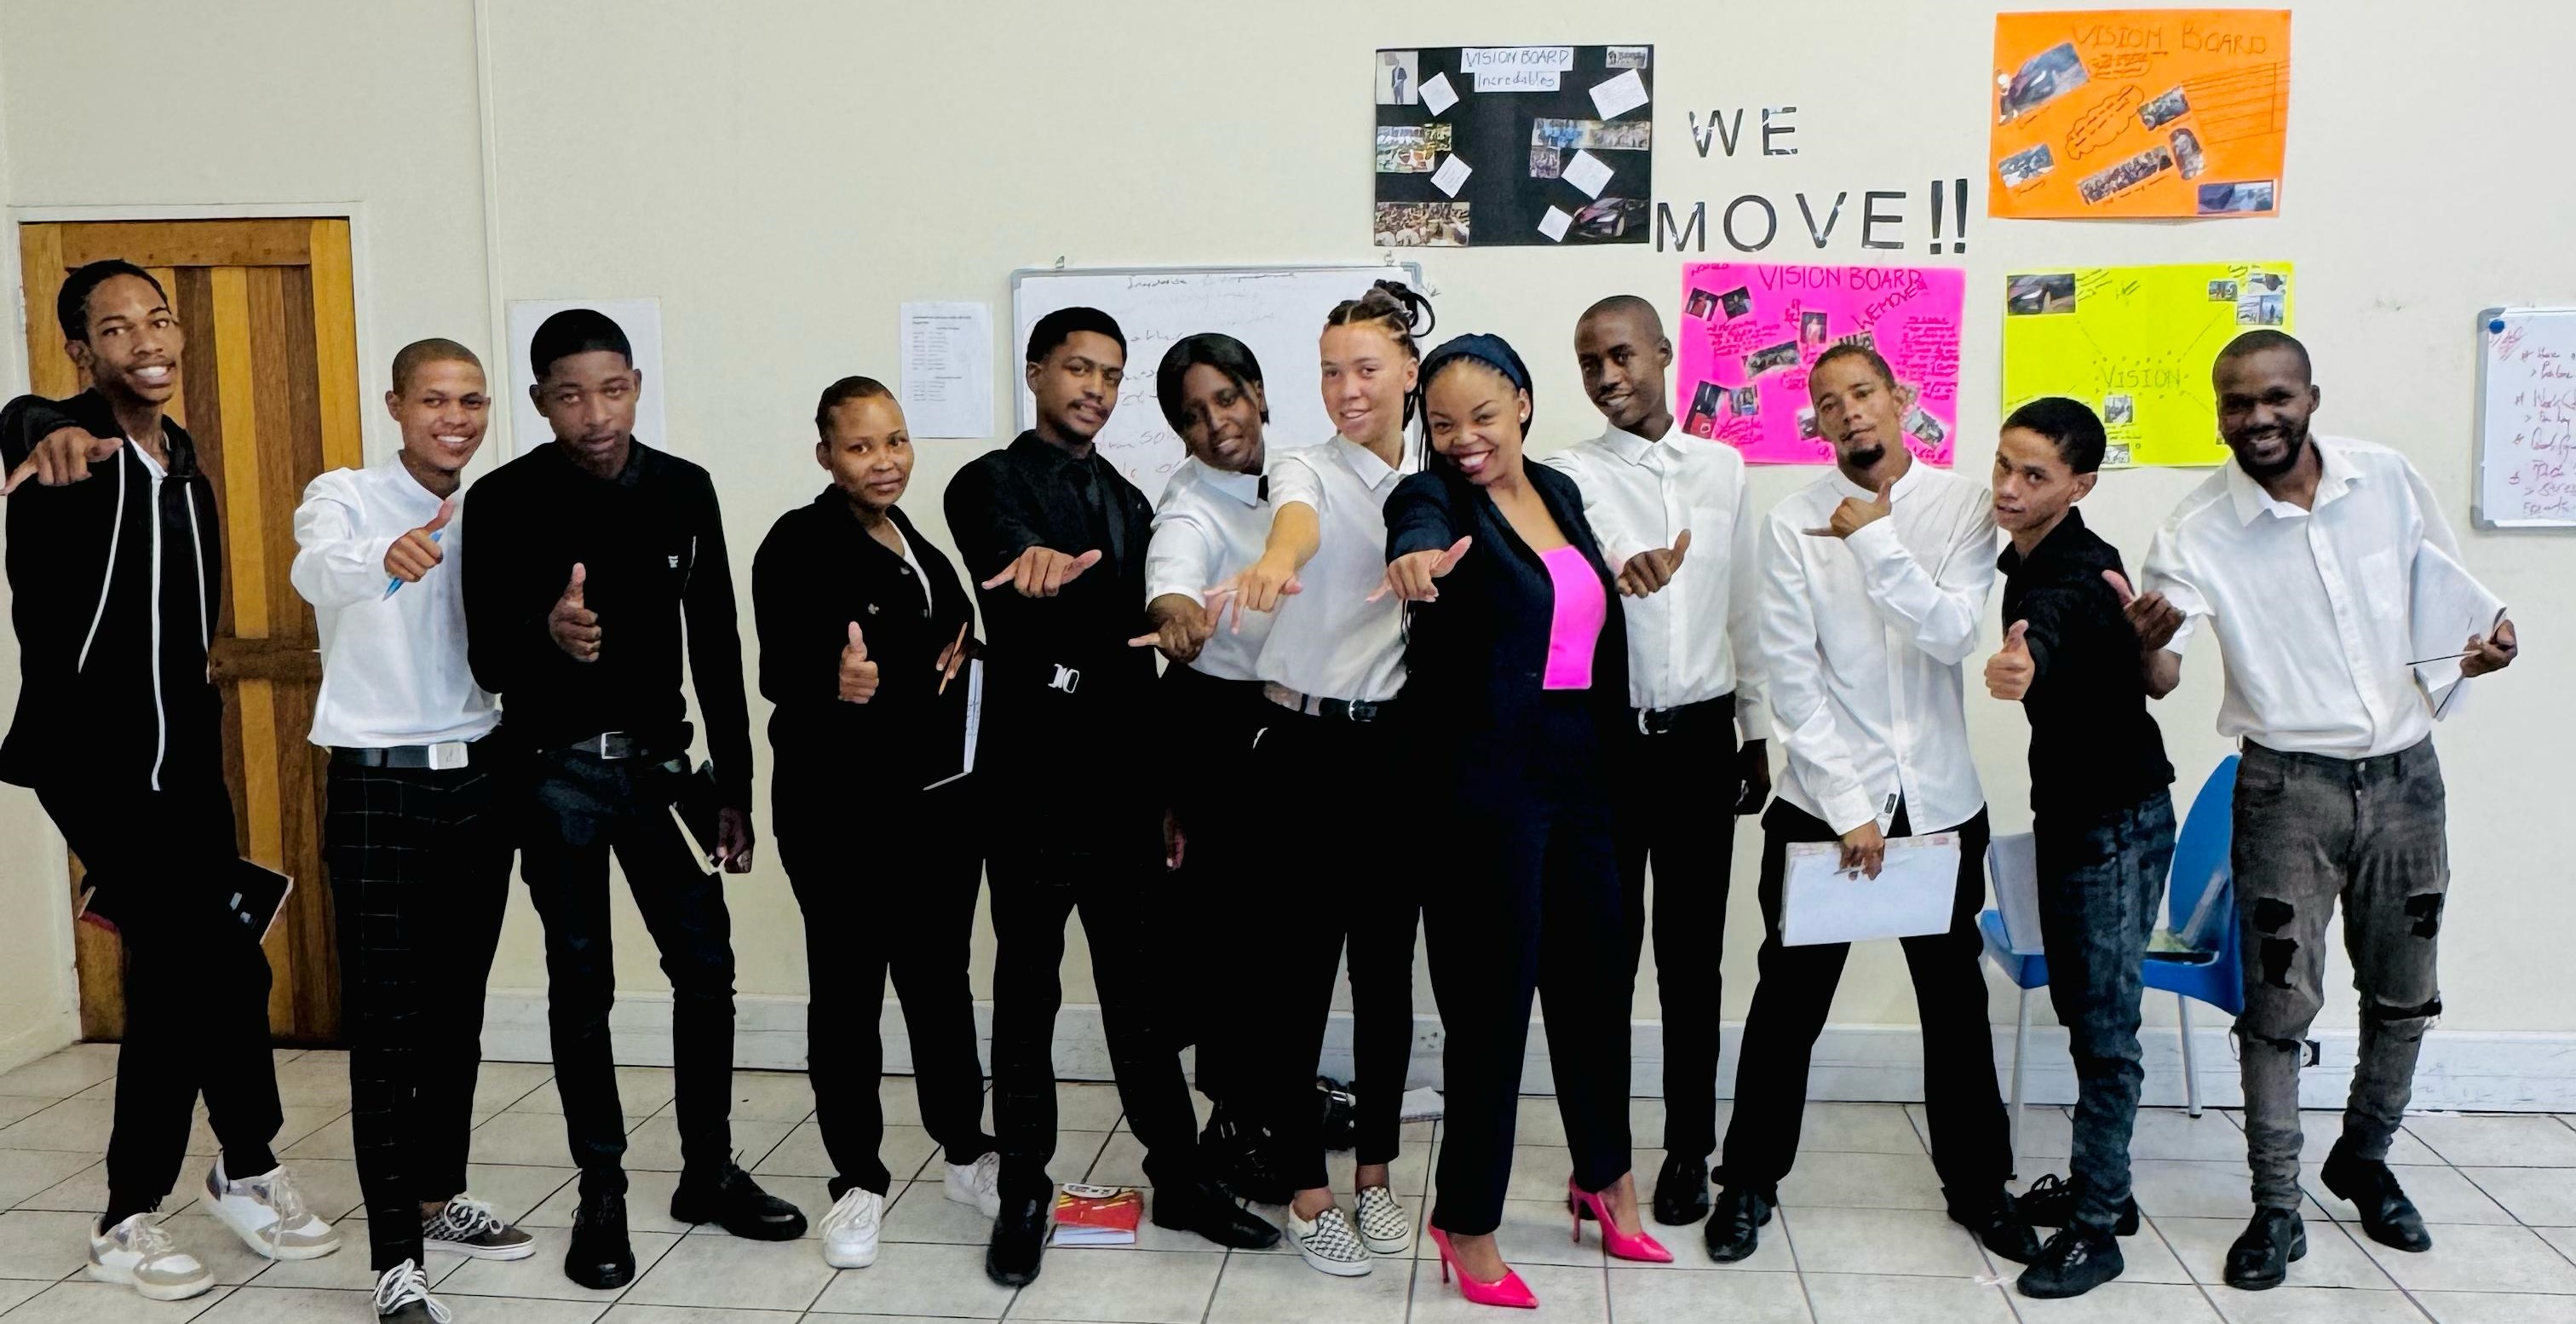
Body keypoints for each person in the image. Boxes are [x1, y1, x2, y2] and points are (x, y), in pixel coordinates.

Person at [2125, 331, 2519, 1291]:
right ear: (2218, 413)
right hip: (2284, 791)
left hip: (2406, 781)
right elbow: (2163, 675)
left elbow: (2455, 604)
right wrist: (2139, 646)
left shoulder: (2385, 480)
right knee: (2277, 1003)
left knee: (2405, 989)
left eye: (2276, 397)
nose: (2258, 418)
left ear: (2310, 397)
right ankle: (2276, 1205)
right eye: (2237, 403)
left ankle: (2365, 1157)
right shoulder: (2194, 530)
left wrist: (2488, 646)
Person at [0, 260, 340, 1305]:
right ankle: (126, 1215)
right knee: (183, 966)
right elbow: (25, 426)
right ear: (80, 350)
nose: (145, 340)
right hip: (90, 762)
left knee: (228, 963)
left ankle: (247, 1166)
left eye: (157, 319)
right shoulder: (64, 447)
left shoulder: (181, 463)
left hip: (184, 763)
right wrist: (39, 432)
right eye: (114, 328)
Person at [462, 308, 802, 1291]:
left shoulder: (683, 488)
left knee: (706, 968)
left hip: (662, 772)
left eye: (613, 390)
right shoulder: (503, 500)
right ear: (541, 402)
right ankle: (601, 1190)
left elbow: (718, 645)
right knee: (583, 984)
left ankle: (708, 1171)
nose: (596, 414)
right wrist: (547, 635)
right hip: (555, 775)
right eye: (572, 396)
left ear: (638, 387)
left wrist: (734, 787)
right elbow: (486, 659)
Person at [944, 308, 1277, 1287]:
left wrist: (1166, 791)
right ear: (1037, 371)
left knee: (1141, 998)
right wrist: (1034, 566)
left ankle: (1180, 1177)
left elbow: (1145, 662)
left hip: (1126, 786)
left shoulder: (1132, 501)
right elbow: (1003, 546)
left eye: (1111, 375)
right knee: (1028, 993)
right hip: (1032, 787)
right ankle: (1024, 1188)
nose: (1094, 388)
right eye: (1078, 368)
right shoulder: (987, 482)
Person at [1710, 343, 2039, 1268]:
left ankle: (1980, 1188)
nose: (1849, 411)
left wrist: (1871, 538)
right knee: (1788, 1004)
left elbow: (1950, 632)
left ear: (1900, 399)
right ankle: (1748, 1181)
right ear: (1816, 423)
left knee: (1954, 1004)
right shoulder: (1791, 522)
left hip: (1938, 802)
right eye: (1828, 402)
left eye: (1862, 393)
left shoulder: (1963, 507)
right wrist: (1851, 805)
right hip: (1823, 803)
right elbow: (1791, 676)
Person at [1386, 331, 1667, 1310]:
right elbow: (1415, 520)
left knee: (1594, 987)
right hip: (1486, 786)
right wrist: (1414, 558)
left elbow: (1585, 620)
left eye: (1484, 416)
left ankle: (1604, 1178)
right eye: (1442, 423)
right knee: (1492, 1007)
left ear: (1525, 406)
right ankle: (1467, 1219)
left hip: (1583, 768)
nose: (1465, 438)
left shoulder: (1560, 491)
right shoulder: (1434, 499)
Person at [290, 338, 537, 1321]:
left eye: (471, 401)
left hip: (478, 778)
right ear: (395, 405)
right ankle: (396, 1259)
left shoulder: (497, 508)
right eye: (435, 400)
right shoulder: (345, 497)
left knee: (456, 1013)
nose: (455, 418)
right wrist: (379, 558)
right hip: (376, 788)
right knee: (388, 1029)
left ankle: (439, 1197)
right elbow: (316, 570)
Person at [1210, 283, 1434, 1276]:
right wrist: (1272, 563)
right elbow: (1294, 526)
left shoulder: (1436, 476)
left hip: (1394, 755)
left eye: (1367, 369)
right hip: (1300, 751)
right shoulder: (1304, 465)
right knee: (1294, 982)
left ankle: (1375, 1175)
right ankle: (1308, 1191)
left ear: (1409, 373)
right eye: (1331, 371)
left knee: (1386, 978)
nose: (1347, 389)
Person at [752, 377, 998, 1272]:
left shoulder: (911, 538)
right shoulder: (798, 541)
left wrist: (966, 649)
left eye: (894, 441)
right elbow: (779, 667)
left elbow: (948, 637)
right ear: (826, 456)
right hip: (840, 816)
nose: (884, 461)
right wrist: (835, 680)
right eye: (860, 447)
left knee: (940, 987)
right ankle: (856, 1180)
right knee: (849, 995)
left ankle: (966, 1153)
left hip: (932, 810)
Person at [1538, 295, 1770, 1227]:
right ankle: (1604, 1159)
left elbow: (1744, 603)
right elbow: (1583, 552)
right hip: (1606, 749)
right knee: (1602, 961)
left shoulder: (1723, 468)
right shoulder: (1568, 473)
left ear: (1665, 352)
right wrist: (1618, 567)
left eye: (1623, 355)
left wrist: (1757, 729)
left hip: (1703, 741)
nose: (1607, 377)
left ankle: (1687, 1151)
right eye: (1590, 363)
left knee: (1692, 959)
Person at [1978, 397, 2175, 1299]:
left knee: (2104, 1031)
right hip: (2075, 817)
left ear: (2080, 486)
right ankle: (2109, 1186)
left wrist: (2024, 665)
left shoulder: (2074, 572)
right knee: (2083, 1013)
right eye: (2004, 465)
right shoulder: (2035, 556)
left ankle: (2097, 1229)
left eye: (2035, 476)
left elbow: (2051, 628)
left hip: (2115, 825)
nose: (2009, 488)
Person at [1128, 333, 1290, 1207]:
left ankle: (1274, 1097)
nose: (1216, 423)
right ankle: (1235, 1121)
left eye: (1225, 399)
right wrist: (1176, 615)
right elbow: (1172, 577)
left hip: (1294, 717)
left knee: (1287, 929)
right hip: (1217, 725)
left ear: (1257, 392)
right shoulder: (1188, 504)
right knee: (1231, 935)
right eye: (1192, 416)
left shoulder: (1300, 474)